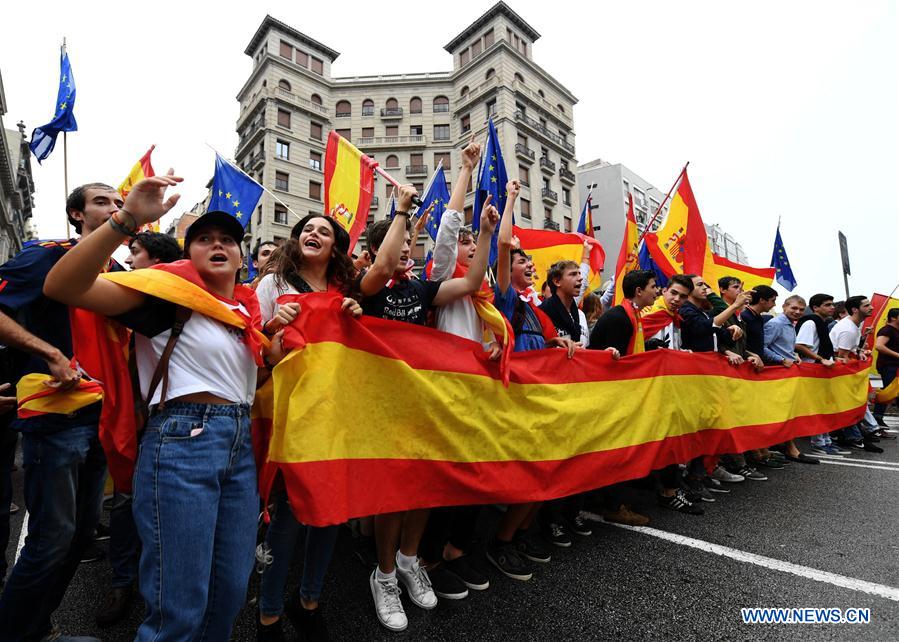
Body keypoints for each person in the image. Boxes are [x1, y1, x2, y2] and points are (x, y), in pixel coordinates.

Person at [44, 172, 279, 641]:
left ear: (241, 256)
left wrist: (277, 349)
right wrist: (127, 219)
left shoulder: (245, 318)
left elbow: (248, 386)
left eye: (228, 239)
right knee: (179, 605)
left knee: (228, 593)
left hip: (239, 451)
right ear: (187, 255)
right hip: (181, 446)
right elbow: (63, 286)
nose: (218, 244)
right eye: (204, 239)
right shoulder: (163, 300)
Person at [359, 183, 499, 632]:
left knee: (423, 486)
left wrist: (487, 233)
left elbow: (473, 282)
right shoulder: (368, 288)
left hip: (424, 401)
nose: (408, 252)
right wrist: (401, 213)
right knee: (394, 493)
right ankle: (382, 576)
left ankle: (408, 560)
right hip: (385, 402)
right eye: (402, 246)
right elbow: (381, 265)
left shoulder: (422, 290)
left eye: (411, 248)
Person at [0, 182, 125, 642]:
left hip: (99, 419)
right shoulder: (46, 255)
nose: (114, 208)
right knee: (51, 539)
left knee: (79, 538)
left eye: (118, 202)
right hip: (55, 420)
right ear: (76, 215)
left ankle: (39, 629)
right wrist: (49, 352)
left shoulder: (120, 271)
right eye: (101, 201)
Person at [254, 213, 361, 641]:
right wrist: (273, 328)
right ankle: (268, 614)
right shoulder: (271, 287)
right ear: (296, 241)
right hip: (290, 416)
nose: (313, 234)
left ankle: (310, 601)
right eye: (307, 230)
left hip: (336, 415)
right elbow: (253, 347)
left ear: (335, 248)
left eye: (325, 231)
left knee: (330, 514)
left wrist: (355, 315)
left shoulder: (344, 293)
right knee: (292, 516)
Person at [417, 139, 499, 603]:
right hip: (446, 393)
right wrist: (466, 172)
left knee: (474, 475)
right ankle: (426, 558)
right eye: (466, 243)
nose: (468, 245)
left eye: (474, 242)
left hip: (478, 395)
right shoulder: (443, 279)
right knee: (446, 478)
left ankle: (452, 550)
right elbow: (447, 233)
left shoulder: (487, 303)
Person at [587, 270, 654, 525]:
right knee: (614, 451)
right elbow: (613, 362)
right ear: (639, 291)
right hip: (611, 397)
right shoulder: (619, 317)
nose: (655, 291)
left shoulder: (631, 315)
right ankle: (612, 504)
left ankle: (608, 499)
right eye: (652, 286)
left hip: (619, 395)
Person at [761, 295, 821, 463]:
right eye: (794, 308)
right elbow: (762, 347)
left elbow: (782, 346)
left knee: (787, 413)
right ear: (784, 306)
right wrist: (781, 359)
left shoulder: (790, 324)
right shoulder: (776, 324)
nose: (797, 312)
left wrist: (794, 356)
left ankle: (783, 446)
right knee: (780, 413)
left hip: (787, 374)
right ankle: (786, 448)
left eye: (801, 310)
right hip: (775, 375)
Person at [794, 294, 847, 457]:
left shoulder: (822, 322)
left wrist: (832, 358)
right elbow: (799, 345)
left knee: (824, 407)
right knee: (817, 408)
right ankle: (819, 443)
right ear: (816, 307)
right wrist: (821, 359)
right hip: (812, 371)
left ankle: (825, 440)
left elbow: (820, 346)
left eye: (832, 304)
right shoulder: (810, 323)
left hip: (820, 371)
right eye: (827, 305)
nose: (832, 307)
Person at [829, 296, 883, 452]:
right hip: (841, 374)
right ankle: (854, 437)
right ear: (855, 309)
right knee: (849, 403)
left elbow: (849, 351)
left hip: (844, 372)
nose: (872, 307)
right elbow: (841, 356)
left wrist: (859, 353)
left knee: (851, 404)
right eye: (867, 305)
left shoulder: (855, 326)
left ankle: (854, 435)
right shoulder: (848, 329)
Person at [872, 308, 899, 426]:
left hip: (895, 367)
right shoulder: (887, 330)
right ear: (893, 317)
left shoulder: (896, 331)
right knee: (885, 393)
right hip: (888, 367)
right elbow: (879, 346)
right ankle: (877, 417)